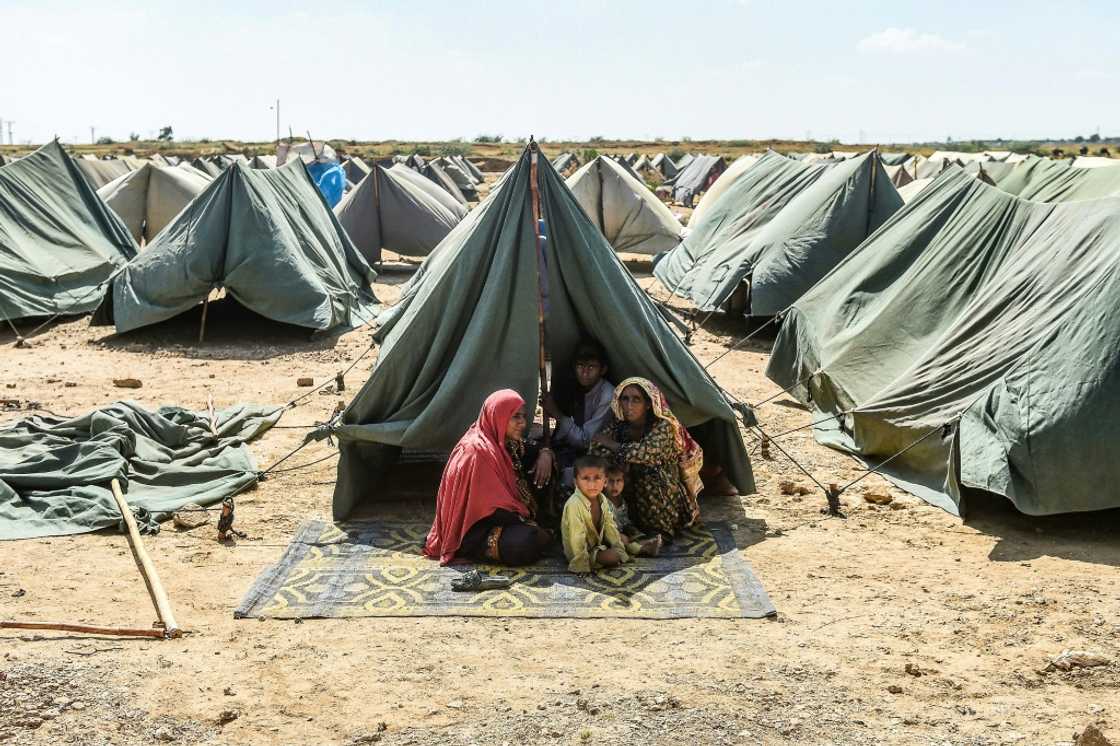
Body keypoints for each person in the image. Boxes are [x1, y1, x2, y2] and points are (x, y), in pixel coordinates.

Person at [424, 390, 556, 566]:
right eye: (515, 417)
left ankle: (542, 527)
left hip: (506, 517)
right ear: (499, 415)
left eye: (523, 416)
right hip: (474, 528)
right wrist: (527, 524)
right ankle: (473, 550)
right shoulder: (477, 452)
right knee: (524, 543)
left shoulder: (503, 441)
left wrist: (545, 453)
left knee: (546, 463)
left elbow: (531, 449)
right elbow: (490, 509)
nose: (522, 423)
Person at [590, 377, 703, 541]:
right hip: (626, 480)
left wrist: (614, 447)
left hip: (661, 491)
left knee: (649, 477)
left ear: (648, 404)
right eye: (625, 399)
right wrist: (617, 463)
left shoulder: (663, 426)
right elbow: (597, 447)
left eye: (636, 400)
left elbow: (646, 452)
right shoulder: (619, 423)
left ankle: (660, 532)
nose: (629, 405)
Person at [560, 455, 660, 574]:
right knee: (613, 556)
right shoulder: (574, 504)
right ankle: (632, 550)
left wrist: (621, 552)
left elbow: (610, 527)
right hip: (579, 552)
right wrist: (581, 565)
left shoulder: (602, 499)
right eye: (586, 478)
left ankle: (640, 549)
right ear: (576, 482)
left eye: (597, 478)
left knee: (620, 542)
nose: (592, 484)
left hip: (598, 544)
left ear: (605, 481)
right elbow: (576, 538)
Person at [542, 340, 614, 485]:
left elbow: (584, 441)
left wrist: (556, 413)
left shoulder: (607, 394)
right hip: (571, 447)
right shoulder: (575, 386)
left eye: (591, 367)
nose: (585, 372)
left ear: (603, 370)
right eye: (580, 366)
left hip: (594, 454)